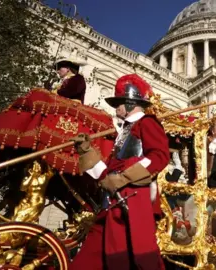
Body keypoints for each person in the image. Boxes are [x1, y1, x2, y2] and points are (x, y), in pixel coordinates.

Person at [70, 74, 169, 270]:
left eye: (120, 102)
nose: (116, 108)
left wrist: (124, 178)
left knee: (137, 257)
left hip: (133, 198)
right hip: (112, 201)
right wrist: (87, 152)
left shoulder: (147, 123)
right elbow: (108, 174)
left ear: (132, 102)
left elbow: (159, 156)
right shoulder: (124, 132)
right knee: (91, 257)